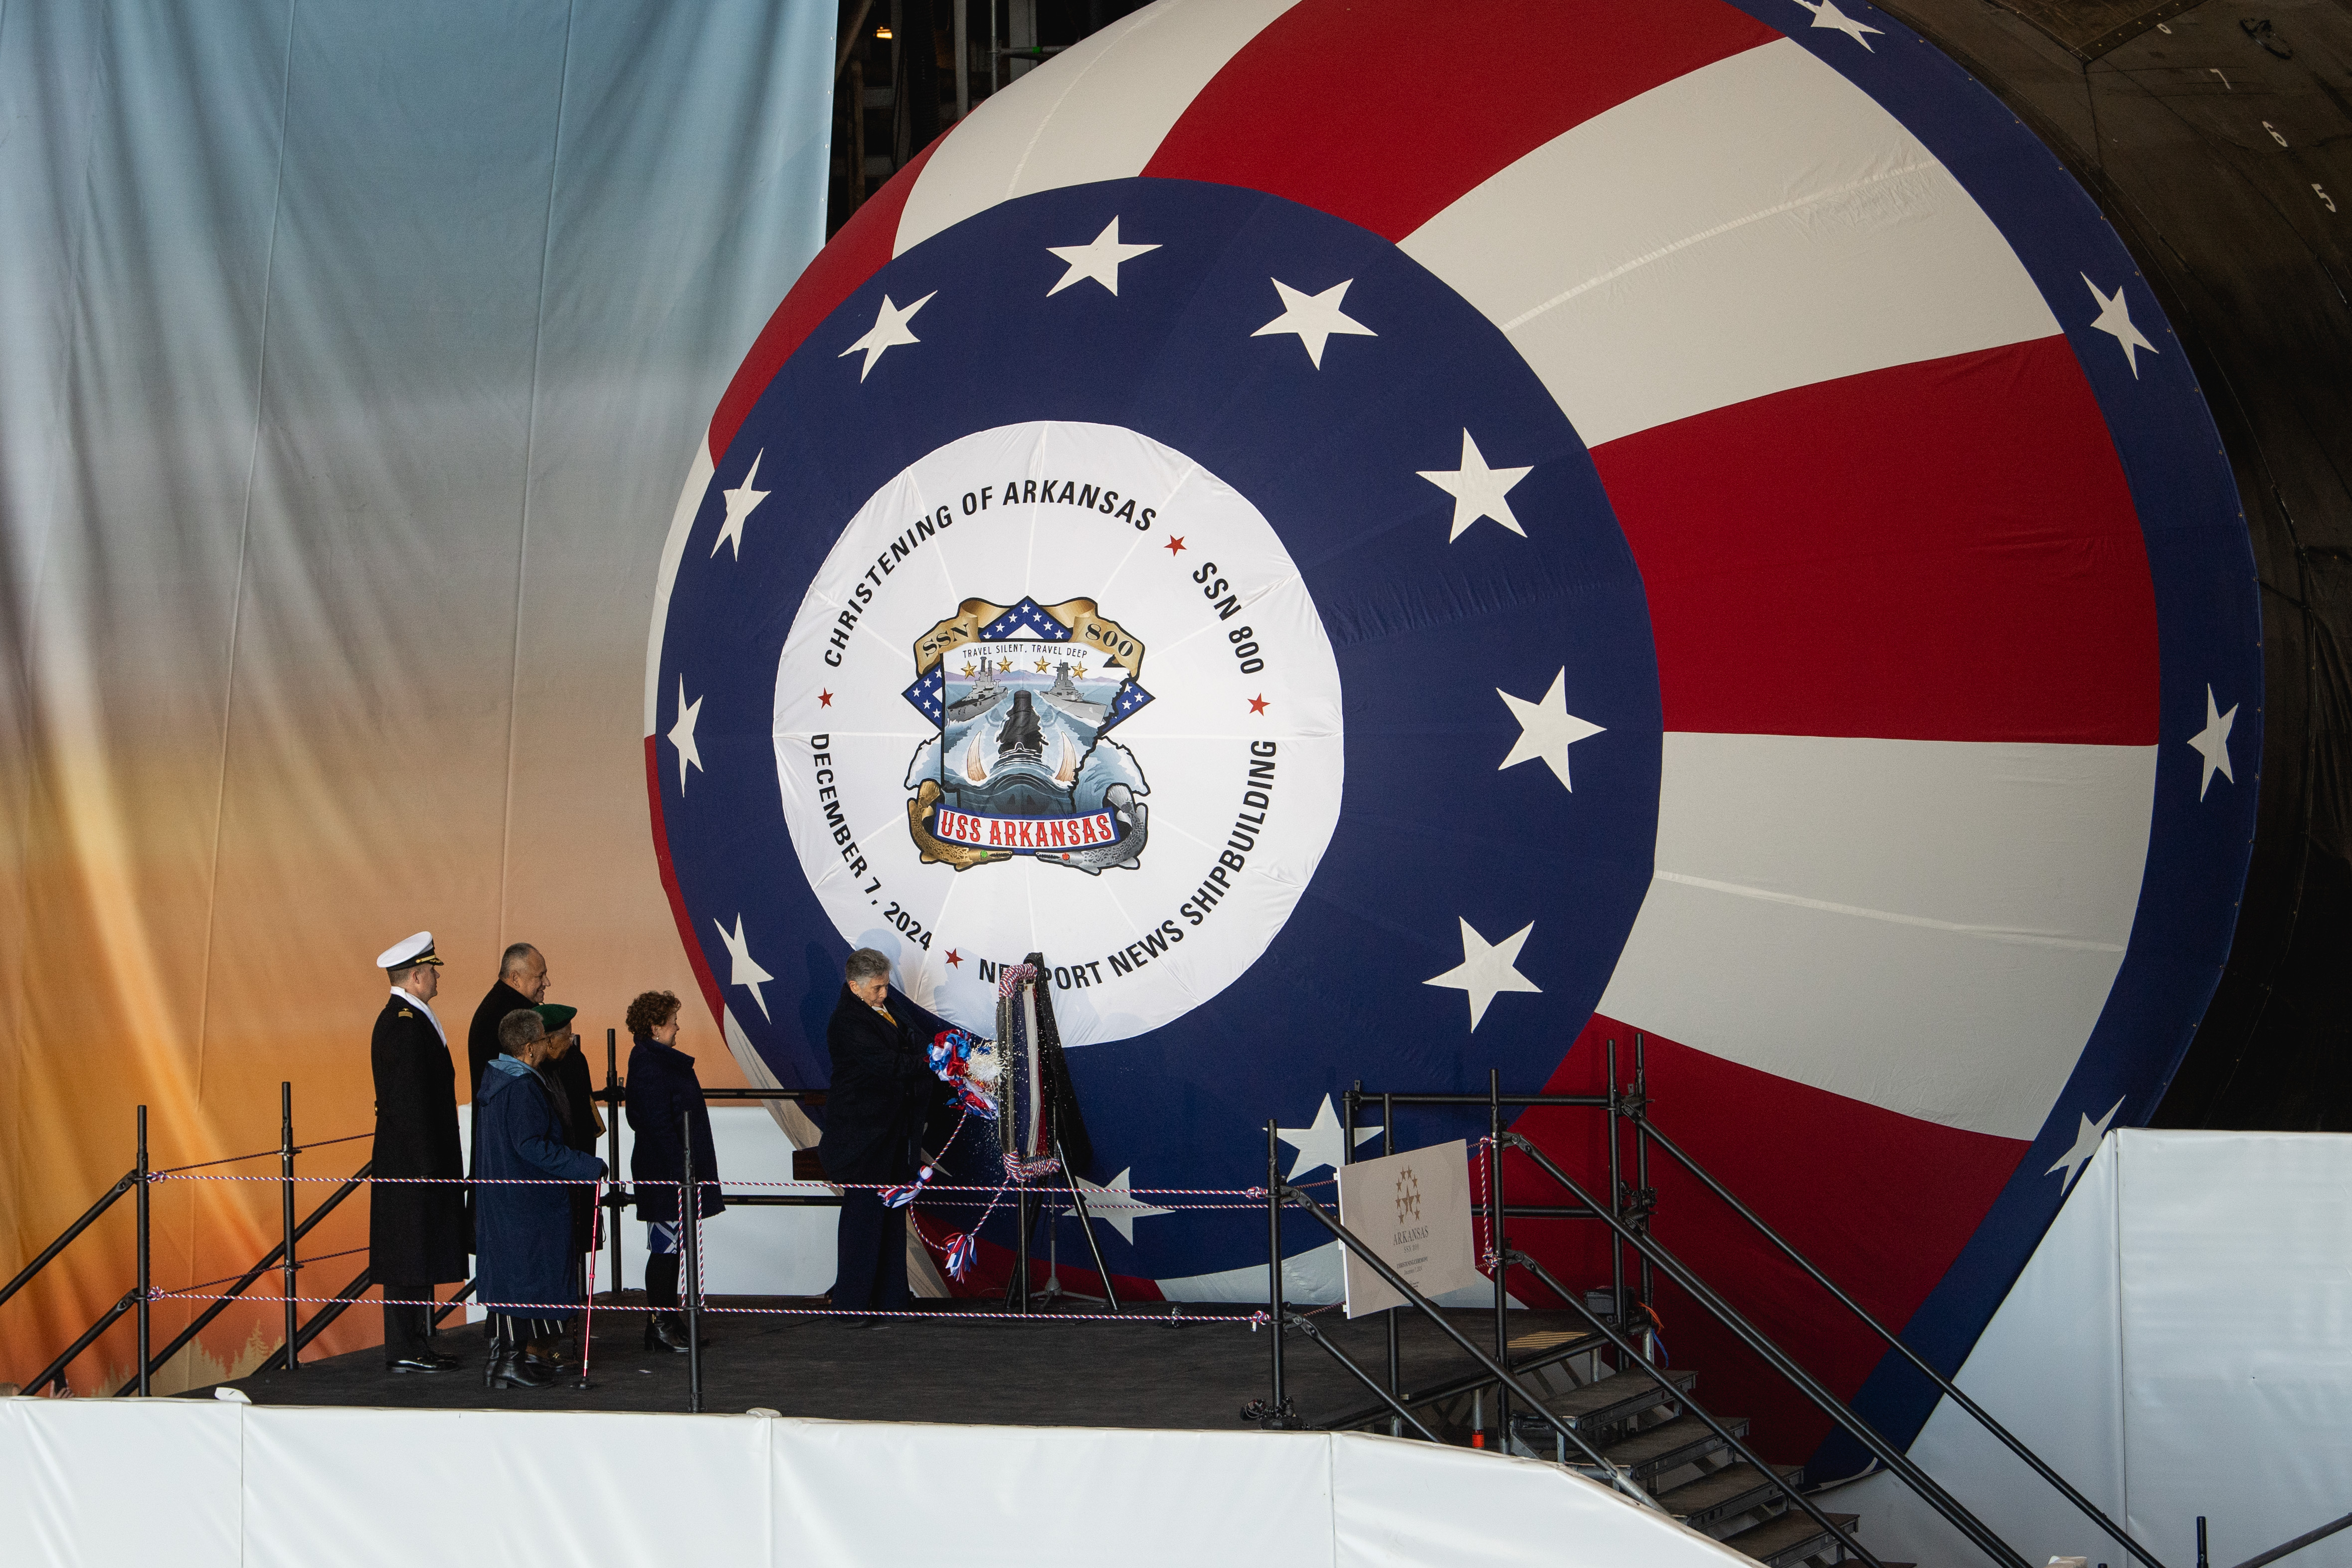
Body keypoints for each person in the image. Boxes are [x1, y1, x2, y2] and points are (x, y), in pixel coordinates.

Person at [474, 1008, 606, 1390]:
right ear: (531, 1047)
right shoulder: (523, 1087)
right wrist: (587, 1165)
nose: (551, 1046)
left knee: (511, 1281)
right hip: (528, 1202)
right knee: (526, 1280)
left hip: (505, 1198)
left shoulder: (497, 1079)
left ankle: (502, 1364)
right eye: (545, 1040)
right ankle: (511, 1363)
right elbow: (532, 1145)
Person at [820, 949, 939, 1325]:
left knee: (890, 1216)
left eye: (885, 985)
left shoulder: (884, 1008)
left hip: (891, 1131)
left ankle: (892, 1300)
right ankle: (852, 1305)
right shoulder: (846, 1022)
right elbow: (886, 1065)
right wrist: (933, 1062)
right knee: (864, 1218)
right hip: (863, 1136)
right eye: (877, 988)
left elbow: (912, 1042)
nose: (884, 993)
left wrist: (930, 1055)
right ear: (854, 986)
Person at [366, 931, 468, 1374]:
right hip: (413, 1163)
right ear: (416, 975)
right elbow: (410, 1105)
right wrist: (427, 1169)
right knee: (408, 1252)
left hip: (415, 1159)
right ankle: (406, 1345)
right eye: (432, 969)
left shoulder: (409, 1017)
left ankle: (416, 1341)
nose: (437, 975)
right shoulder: (405, 1025)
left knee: (416, 1251)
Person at [624, 990, 722, 1353]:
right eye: (672, 1021)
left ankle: (667, 1320)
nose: (677, 1027)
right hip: (664, 1173)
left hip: (670, 1170)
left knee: (672, 1247)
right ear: (655, 1026)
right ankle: (660, 1324)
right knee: (665, 1249)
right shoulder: (649, 1062)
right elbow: (654, 1121)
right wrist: (680, 1165)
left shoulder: (653, 1058)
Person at [534, 1003, 604, 1276]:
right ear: (549, 1039)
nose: (572, 1042)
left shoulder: (571, 1060)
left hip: (573, 1165)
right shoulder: (538, 1071)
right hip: (559, 1167)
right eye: (568, 1036)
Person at [467, 942, 547, 1098]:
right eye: (540, 976)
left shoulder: (499, 1004)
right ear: (515, 978)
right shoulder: (511, 1016)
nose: (547, 982)